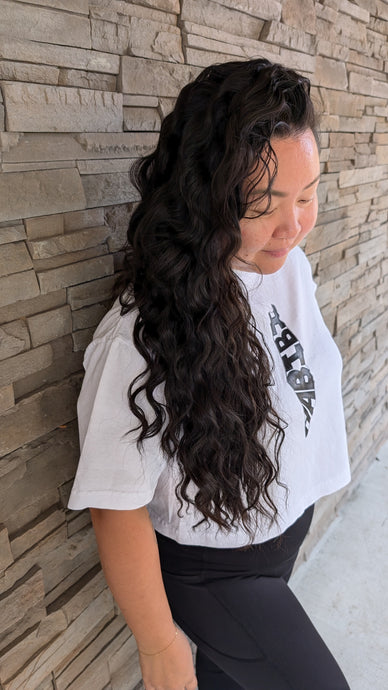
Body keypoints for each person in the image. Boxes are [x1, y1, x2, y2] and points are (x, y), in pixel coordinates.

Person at [68, 58, 351, 689]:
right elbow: (116, 504)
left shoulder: (283, 264)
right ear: (206, 196)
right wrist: (159, 643)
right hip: (217, 570)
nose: (294, 226)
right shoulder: (141, 336)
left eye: (307, 195)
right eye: (264, 203)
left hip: (274, 540)